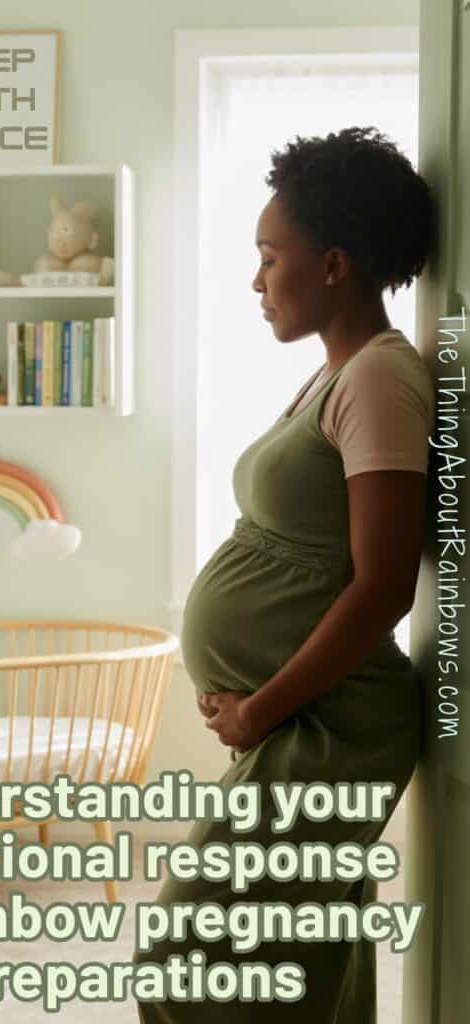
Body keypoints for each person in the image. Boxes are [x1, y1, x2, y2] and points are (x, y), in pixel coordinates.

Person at [132, 126, 436, 1022]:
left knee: (185, 960)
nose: (256, 280)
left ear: (334, 264)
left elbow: (382, 585)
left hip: (328, 728)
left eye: (270, 257)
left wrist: (259, 707)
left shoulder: (378, 379)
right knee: (307, 967)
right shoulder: (332, 376)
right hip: (301, 722)